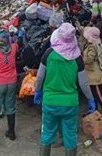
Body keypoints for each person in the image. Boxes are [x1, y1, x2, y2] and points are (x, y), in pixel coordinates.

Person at [34, 23, 96, 156]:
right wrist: (91, 99)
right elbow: (84, 83)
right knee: (70, 136)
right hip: (70, 104)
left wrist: (38, 91)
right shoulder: (77, 58)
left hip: (50, 102)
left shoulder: (49, 54)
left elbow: (39, 77)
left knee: (47, 134)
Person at [83, 26, 102, 111]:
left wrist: (80, 59)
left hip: (95, 75)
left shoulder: (92, 46)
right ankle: (94, 111)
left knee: (99, 95)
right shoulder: (97, 44)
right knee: (93, 94)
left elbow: (89, 59)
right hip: (93, 74)